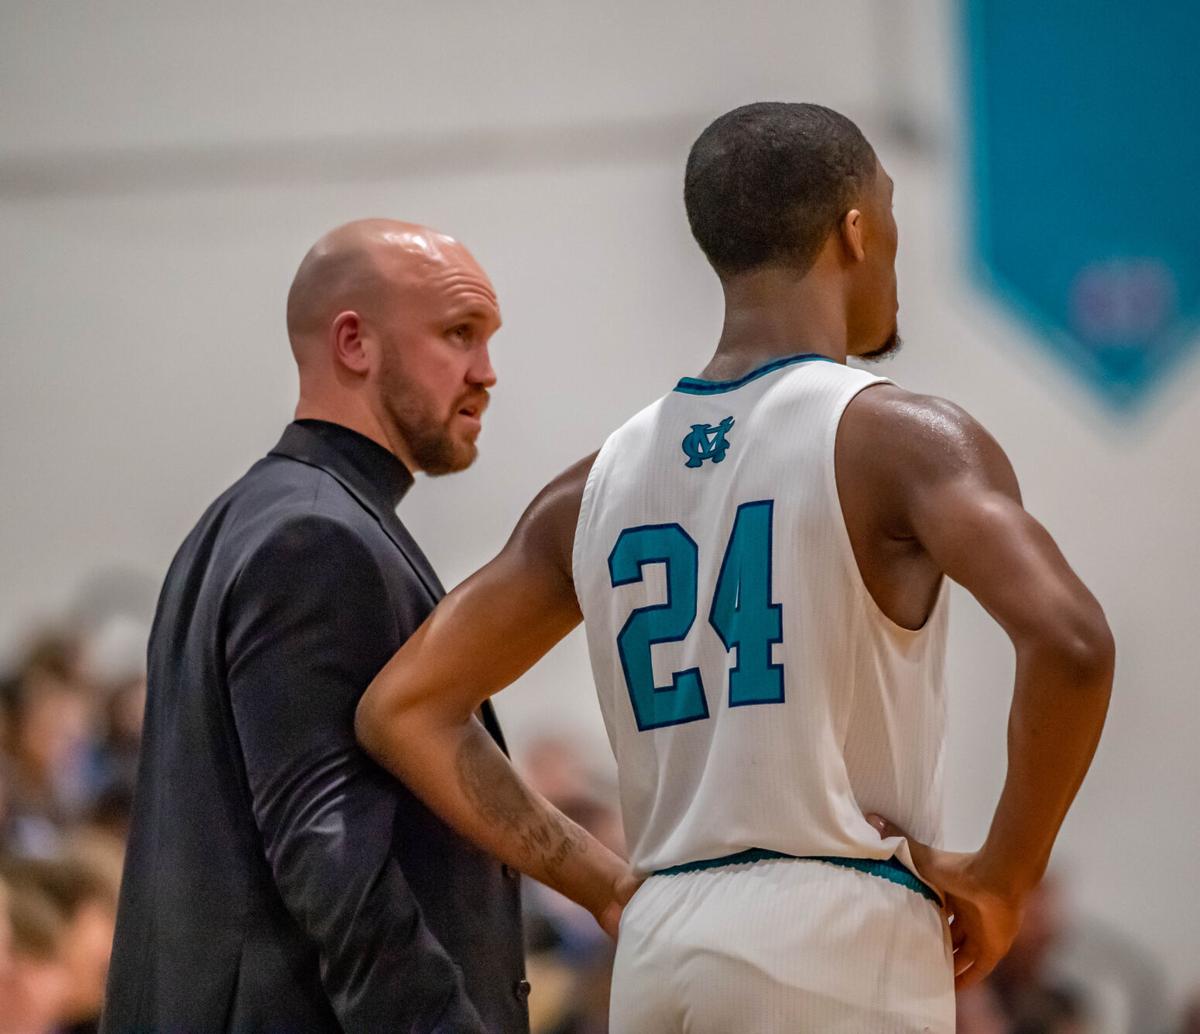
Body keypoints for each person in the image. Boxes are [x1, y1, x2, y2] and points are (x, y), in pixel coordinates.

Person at [355, 104, 1115, 1032]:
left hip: (659, 943)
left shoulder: (592, 487)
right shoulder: (904, 441)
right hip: (834, 934)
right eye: (892, 227)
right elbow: (1072, 643)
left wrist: (600, 881)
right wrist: (1005, 877)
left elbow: (405, 709)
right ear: (856, 232)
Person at [102, 220, 541, 1033]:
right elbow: (338, 874)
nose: (486, 372)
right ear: (353, 343)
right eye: (459, 333)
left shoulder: (255, 519)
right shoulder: (316, 539)